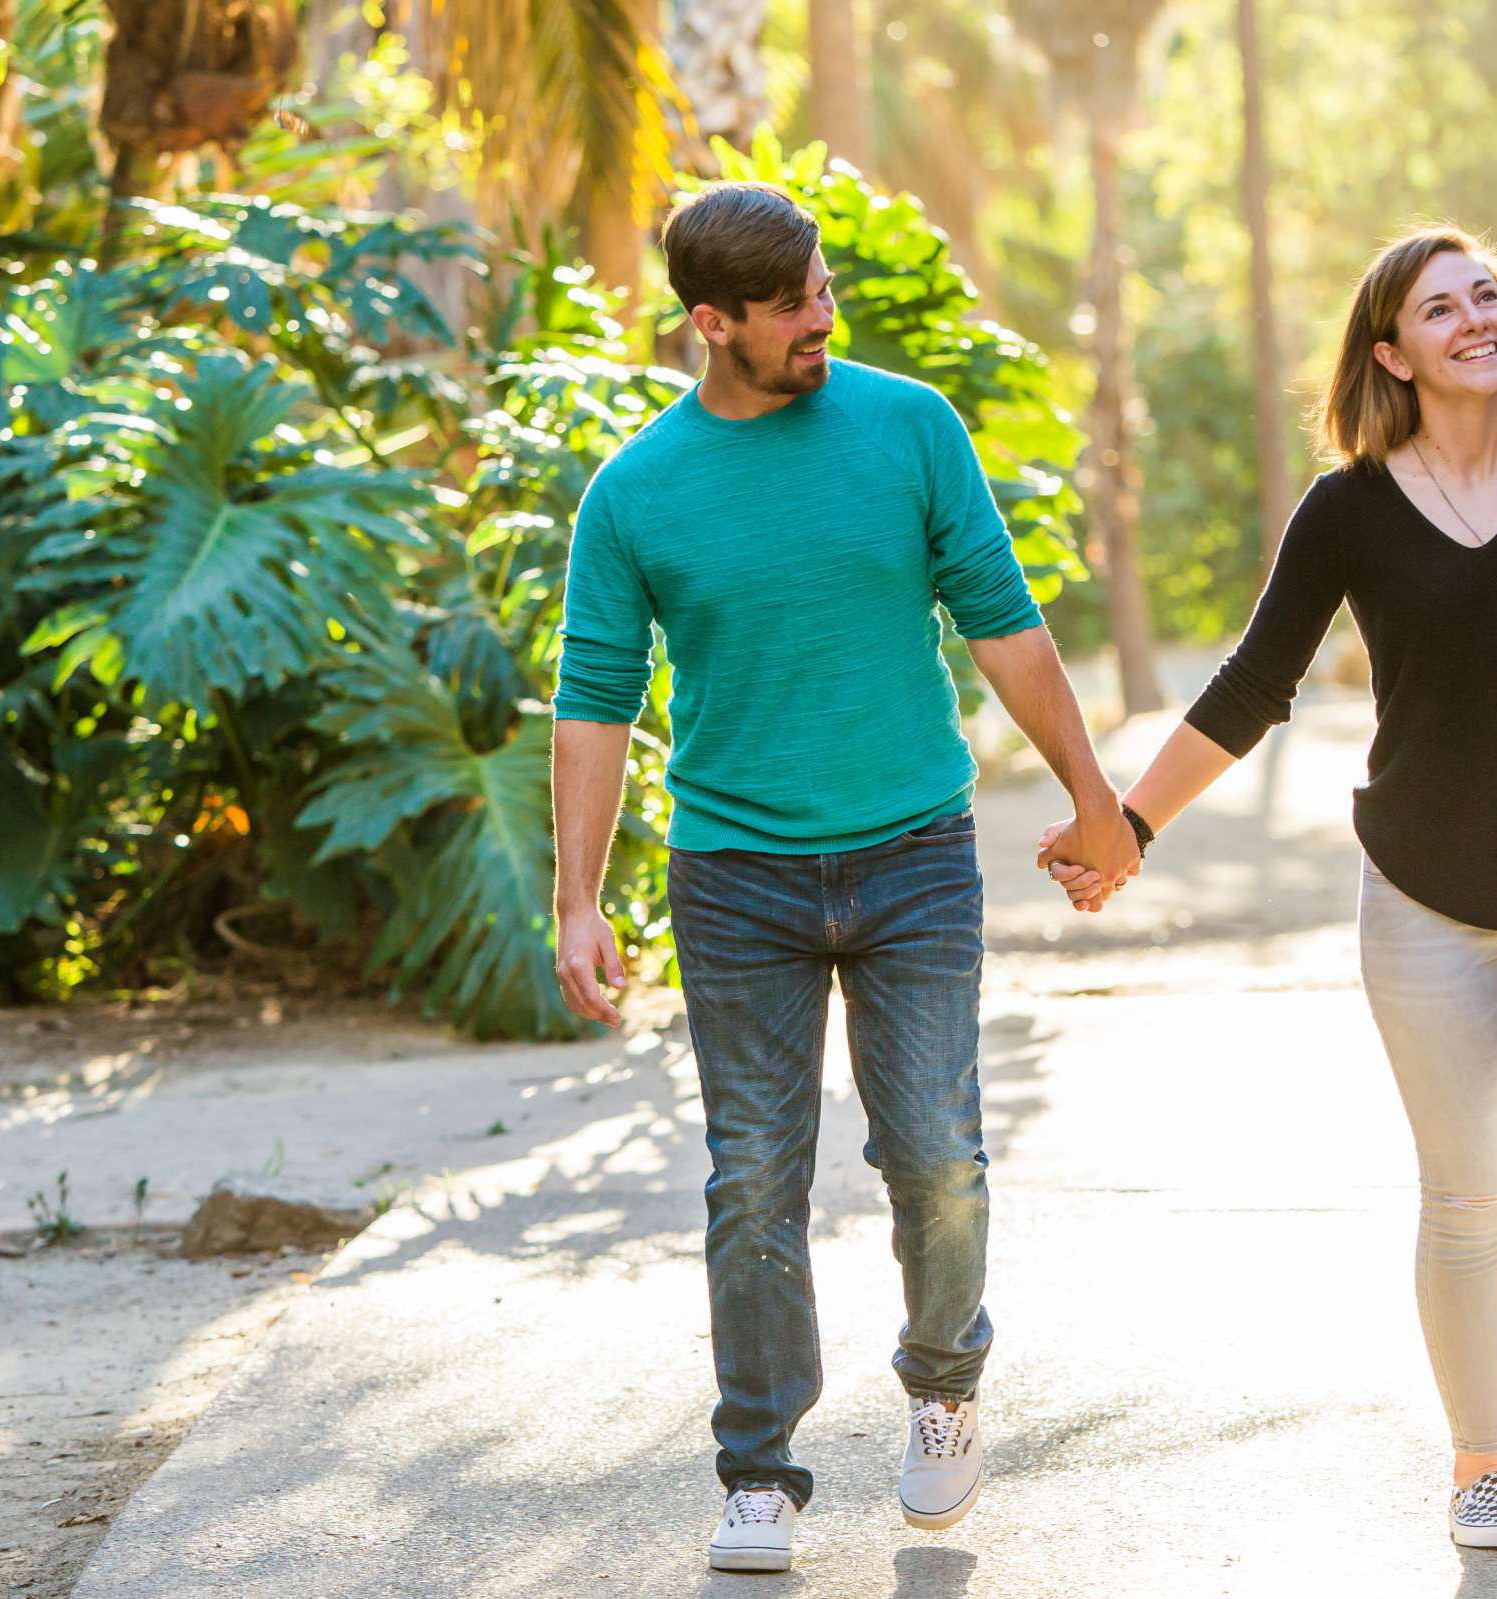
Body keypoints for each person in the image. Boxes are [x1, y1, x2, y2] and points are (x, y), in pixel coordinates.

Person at [1043, 226, 1497, 1555]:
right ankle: (1482, 1463)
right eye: (1439, 308)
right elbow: (1253, 685)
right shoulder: (1348, 511)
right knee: (1467, 1200)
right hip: (1425, 902)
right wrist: (1133, 823)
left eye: (1488, 293)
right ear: (1391, 351)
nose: (1474, 320)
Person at [549, 180, 1141, 1575]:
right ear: (713, 322)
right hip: (735, 874)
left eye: (823, 286)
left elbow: (1000, 619)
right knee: (754, 1175)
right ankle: (758, 1471)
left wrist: (1094, 796)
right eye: (792, 303)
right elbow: (593, 702)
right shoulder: (635, 492)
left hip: (914, 852)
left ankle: (944, 1391)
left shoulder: (909, 427)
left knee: (933, 1152)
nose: (825, 315)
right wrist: (577, 896)